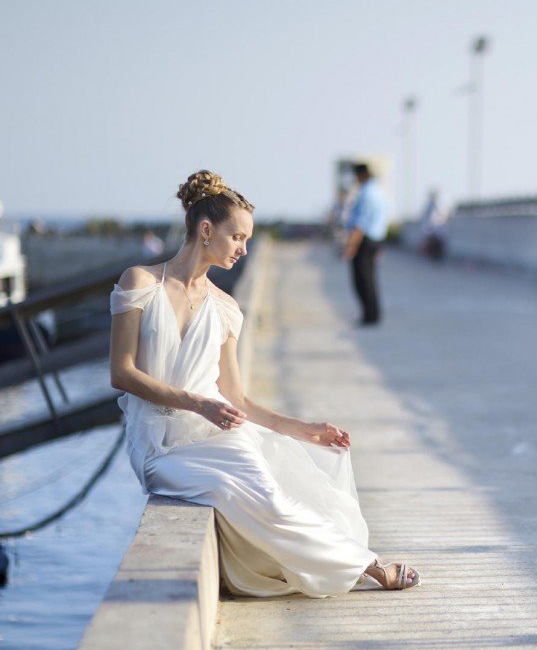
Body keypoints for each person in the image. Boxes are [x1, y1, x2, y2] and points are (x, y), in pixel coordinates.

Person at [109, 170, 419, 597]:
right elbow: (121, 373)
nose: (244, 249)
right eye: (237, 237)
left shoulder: (225, 308)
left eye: (248, 240)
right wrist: (198, 403)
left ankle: (366, 563)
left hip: (219, 436)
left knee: (272, 497)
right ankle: (366, 565)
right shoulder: (139, 284)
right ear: (205, 230)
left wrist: (304, 428)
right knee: (227, 490)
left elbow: (236, 398)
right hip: (158, 447)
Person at [344, 163, 389, 326]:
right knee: (371, 279)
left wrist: (351, 247)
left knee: (362, 280)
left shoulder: (365, 193)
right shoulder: (379, 192)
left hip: (364, 241)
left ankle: (368, 316)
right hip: (377, 239)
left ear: (361, 175)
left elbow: (360, 224)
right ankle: (373, 314)